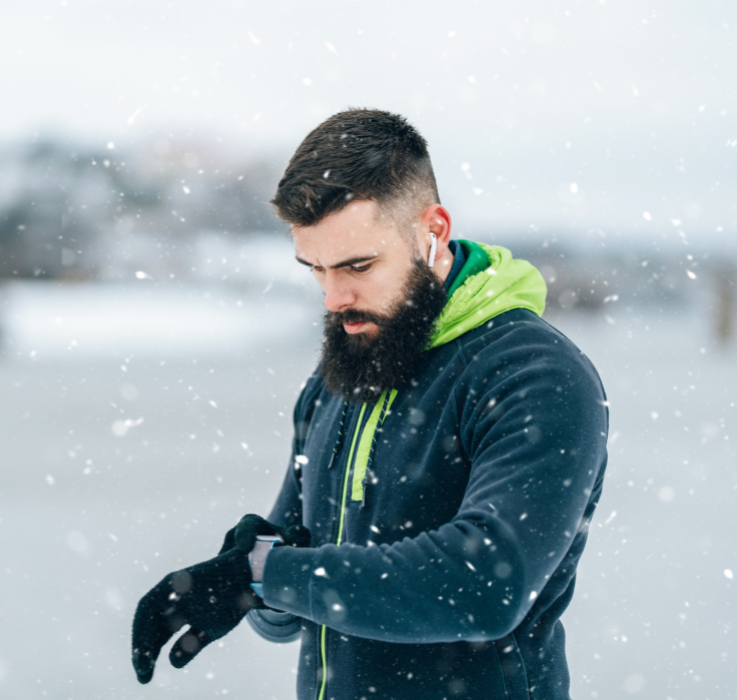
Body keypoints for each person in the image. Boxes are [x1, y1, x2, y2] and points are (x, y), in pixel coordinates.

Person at [132, 108, 609, 700]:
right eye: (316, 270)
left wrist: (265, 574)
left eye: (358, 266)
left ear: (432, 230)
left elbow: (486, 584)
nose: (335, 298)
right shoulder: (344, 372)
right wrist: (243, 578)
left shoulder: (534, 375)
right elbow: (288, 602)